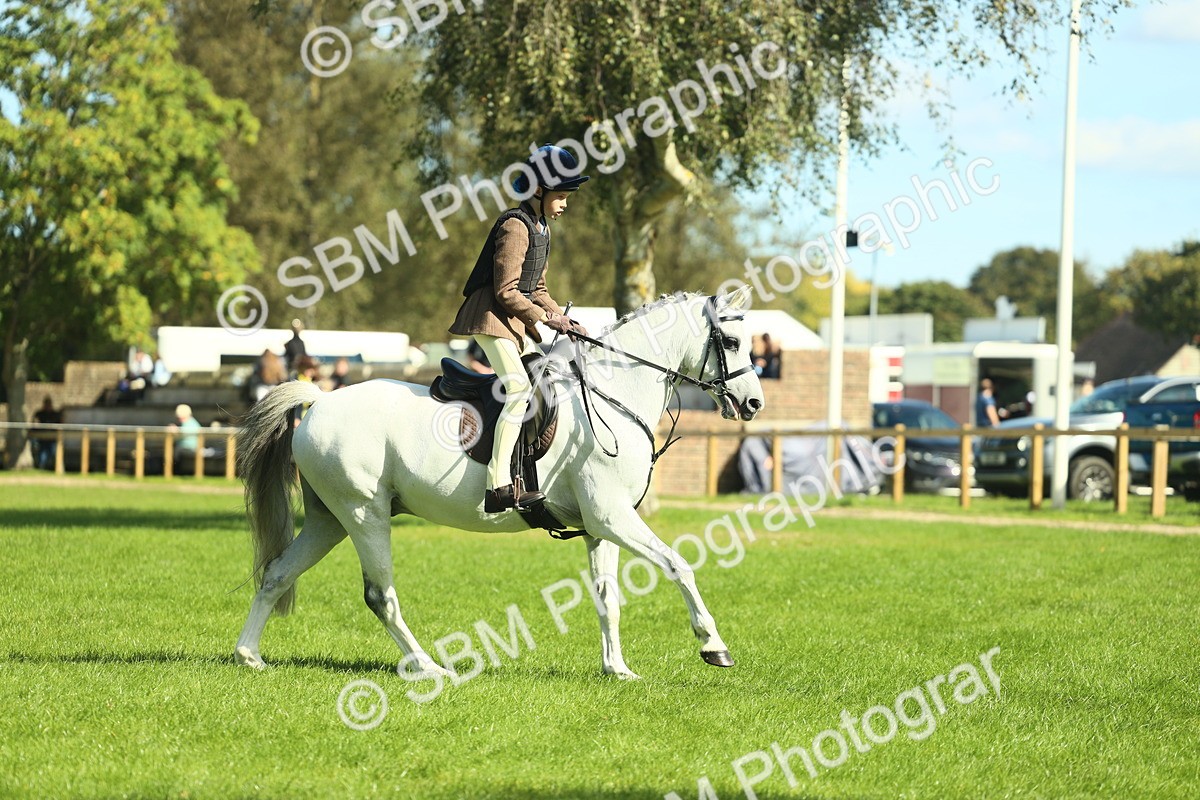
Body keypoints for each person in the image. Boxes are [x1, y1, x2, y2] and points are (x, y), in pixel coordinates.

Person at [448, 143, 589, 513]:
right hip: (489, 317)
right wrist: (545, 318)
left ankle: (524, 469)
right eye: (561, 196)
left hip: (511, 321)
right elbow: (506, 291)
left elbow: (537, 289)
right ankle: (497, 485)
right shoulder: (515, 226)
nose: (565, 204)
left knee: (545, 380)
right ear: (539, 190)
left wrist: (564, 319)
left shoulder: (541, 228)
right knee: (519, 389)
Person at [31, 396, 62, 470]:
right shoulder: (39, 414)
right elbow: (34, 424)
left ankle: (49, 466)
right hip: (41, 438)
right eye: (46, 404)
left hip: (52, 438)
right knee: (41, 450)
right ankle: (42, 466)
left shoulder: (55, 414)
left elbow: (60, 425)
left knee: (52, 451)